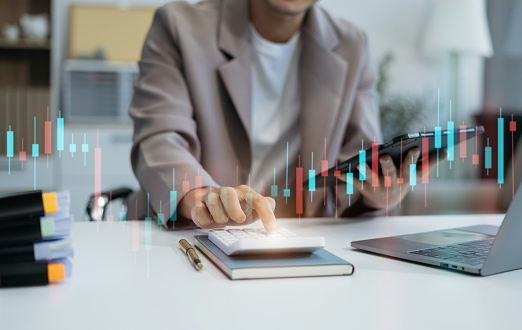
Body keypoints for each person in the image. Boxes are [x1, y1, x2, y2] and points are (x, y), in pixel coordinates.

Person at [129, 0, 436, 232]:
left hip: (300, 245)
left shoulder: (352, 46)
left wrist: (379, 196)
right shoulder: (178, 27)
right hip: (195, 241)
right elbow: (159, 137)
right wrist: (199, 196)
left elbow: (358, 162)